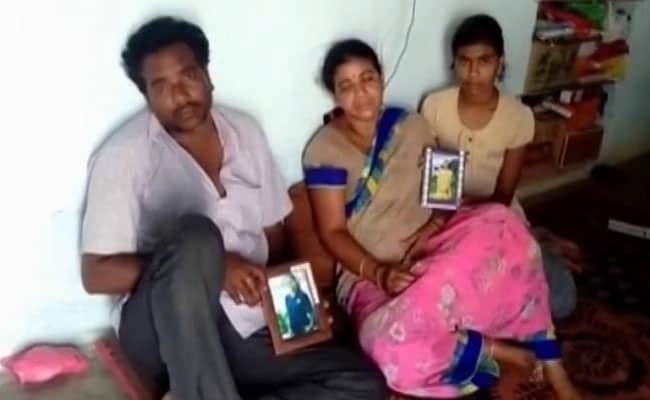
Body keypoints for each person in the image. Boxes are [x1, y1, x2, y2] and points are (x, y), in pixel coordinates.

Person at [80, 17, 386, 400]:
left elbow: (275, 241)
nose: (180, 94)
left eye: (188, 76)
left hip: (244, 322)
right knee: (196, 237)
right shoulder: (124, 155)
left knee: (361, 384)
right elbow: (96, 274)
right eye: (161, 86)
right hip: (162, 330)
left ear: (207, 76)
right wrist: (213, 268)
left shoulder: (246, 132)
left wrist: (300, 308)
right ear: (147, 96)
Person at [303, 38, 581, 399]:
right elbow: (332, 231)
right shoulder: (325, 149)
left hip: (433, 248)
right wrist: (380, 272)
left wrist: (434, 226)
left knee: (501, 219)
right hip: (370, 273)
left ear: (382, 77)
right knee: (385, 347)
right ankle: (492, 349)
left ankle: (552, 361)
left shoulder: (410, 125)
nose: (360, 93)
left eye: (367, 79)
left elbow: (444, 188)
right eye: (347, 85)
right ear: (334, 94)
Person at [420, 14, 579, 319]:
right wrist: (447, 220)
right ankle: (538, 238)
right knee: (448, 292)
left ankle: (538, 241)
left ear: (500, 62)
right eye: (464, 61)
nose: (473, 72)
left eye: (484, 61)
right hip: (444, 215)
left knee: (561, 302)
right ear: (453, 62)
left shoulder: (518, 116)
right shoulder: (435, 106)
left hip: (497, 215)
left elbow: (504, 193)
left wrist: (472, 223)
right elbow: (436, 179)